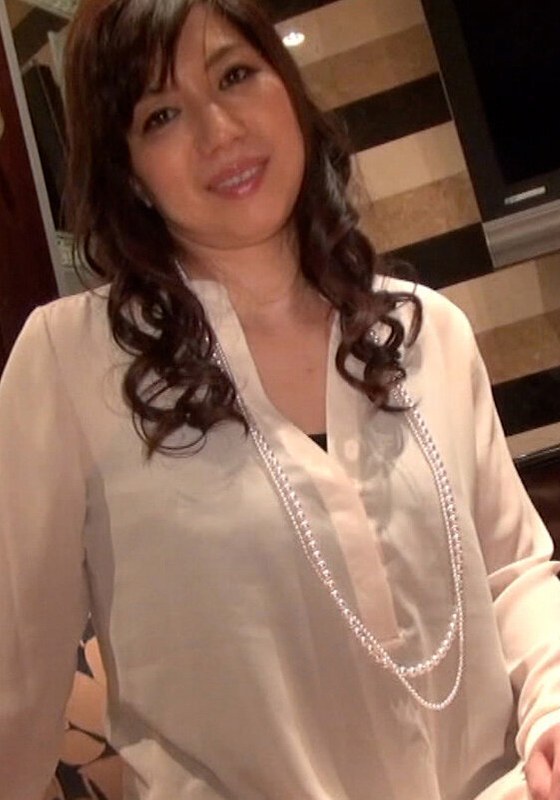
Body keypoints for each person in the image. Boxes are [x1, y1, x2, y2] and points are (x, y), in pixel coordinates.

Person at [1, 0, 559, 797]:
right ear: (128, 171)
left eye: (235, 75)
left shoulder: (426, 330)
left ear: (287, 88)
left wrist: (552, 709)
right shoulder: (69, 367)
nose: (219, 130)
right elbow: (14, 677)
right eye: (161, 114)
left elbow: (511, 572)